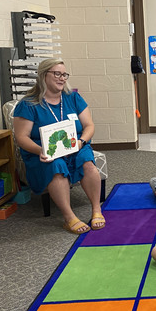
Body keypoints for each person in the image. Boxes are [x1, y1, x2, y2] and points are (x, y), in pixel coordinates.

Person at [13, 58, 105, 234]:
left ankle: (96, 210)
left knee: (87, 161)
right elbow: (21, 137)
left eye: (64, 74)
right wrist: (40, 150)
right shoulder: (28, 104)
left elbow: (89, 126)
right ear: (43, 75)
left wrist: (81, 142)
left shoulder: (73, 98)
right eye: (57, 74)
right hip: (43, 151)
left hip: (75, 145)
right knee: (56, 165)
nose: (62, 78)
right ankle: (69, 217)